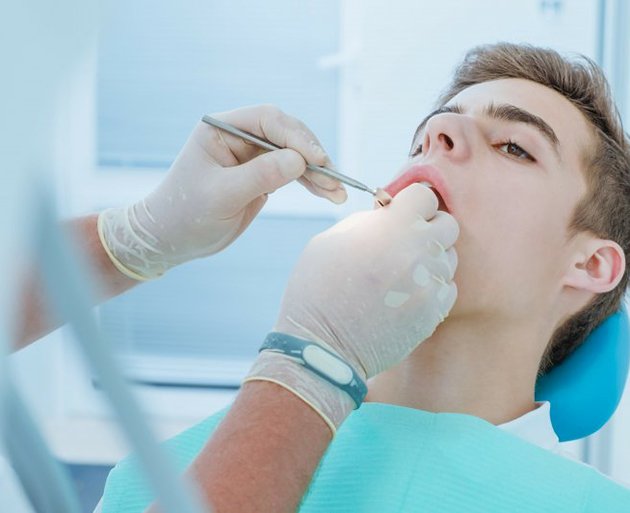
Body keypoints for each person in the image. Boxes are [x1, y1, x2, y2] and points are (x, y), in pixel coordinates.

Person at [99, 42, 630, 513]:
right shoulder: (151, 480)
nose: (438, 134)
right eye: (426, 139)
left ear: (591, 265)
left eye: (514, 147)